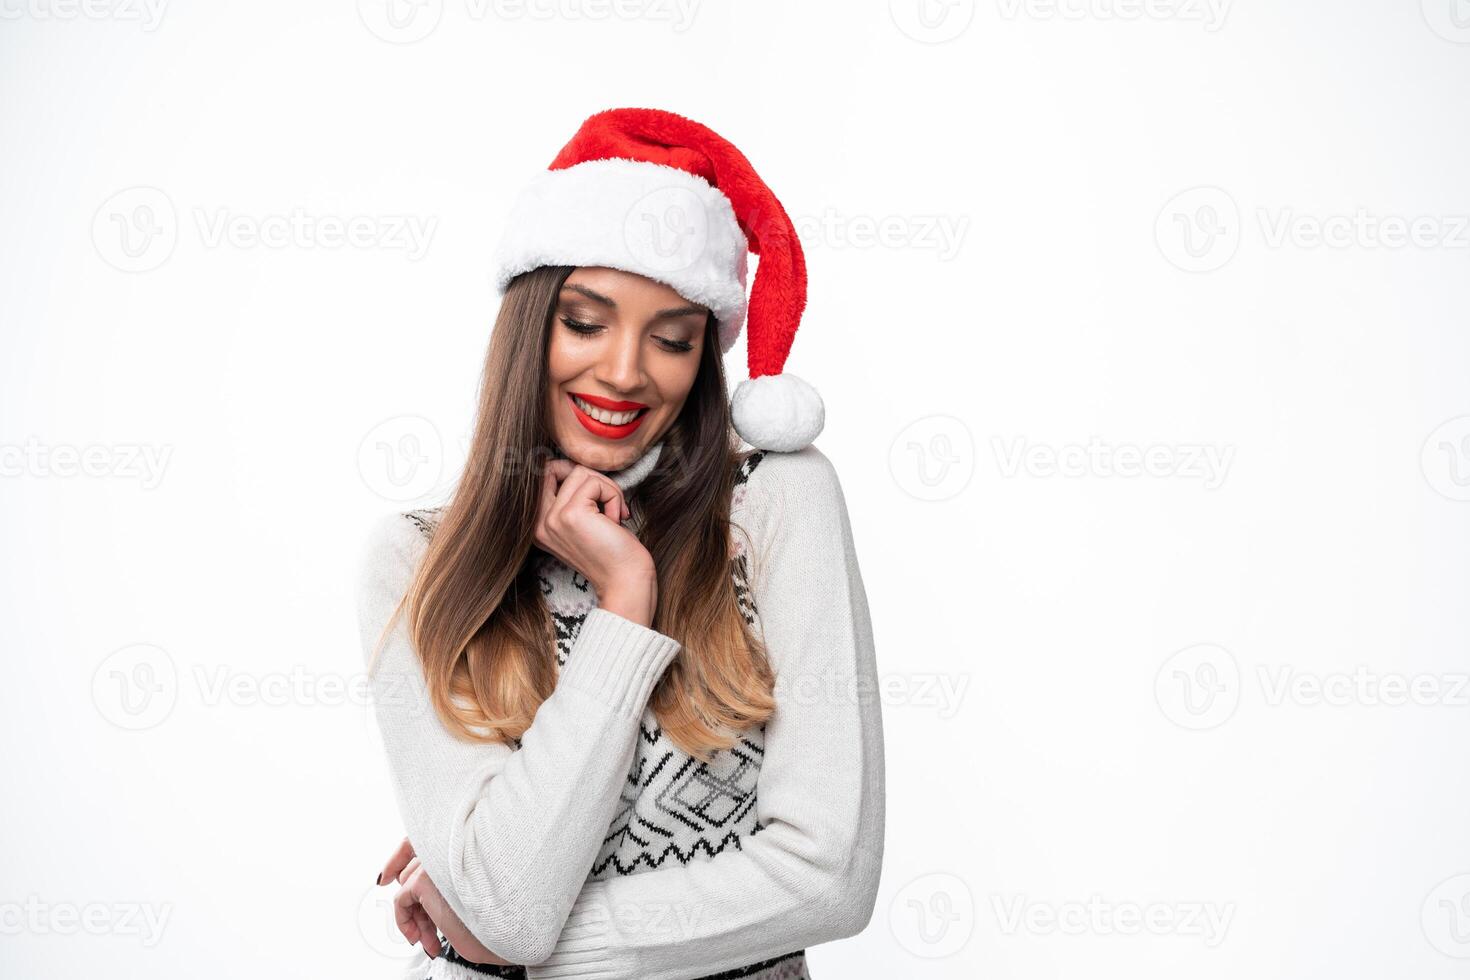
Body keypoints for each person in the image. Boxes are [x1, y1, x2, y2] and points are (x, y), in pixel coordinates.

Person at [354, 108, 885, 980]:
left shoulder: (775, 501)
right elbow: (504, 901)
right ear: (530, 329)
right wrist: (626, 610)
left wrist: (517, 925)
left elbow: (830, 877)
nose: (626, 371)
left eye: (673, 338)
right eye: (586, 322)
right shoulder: (415, 556)